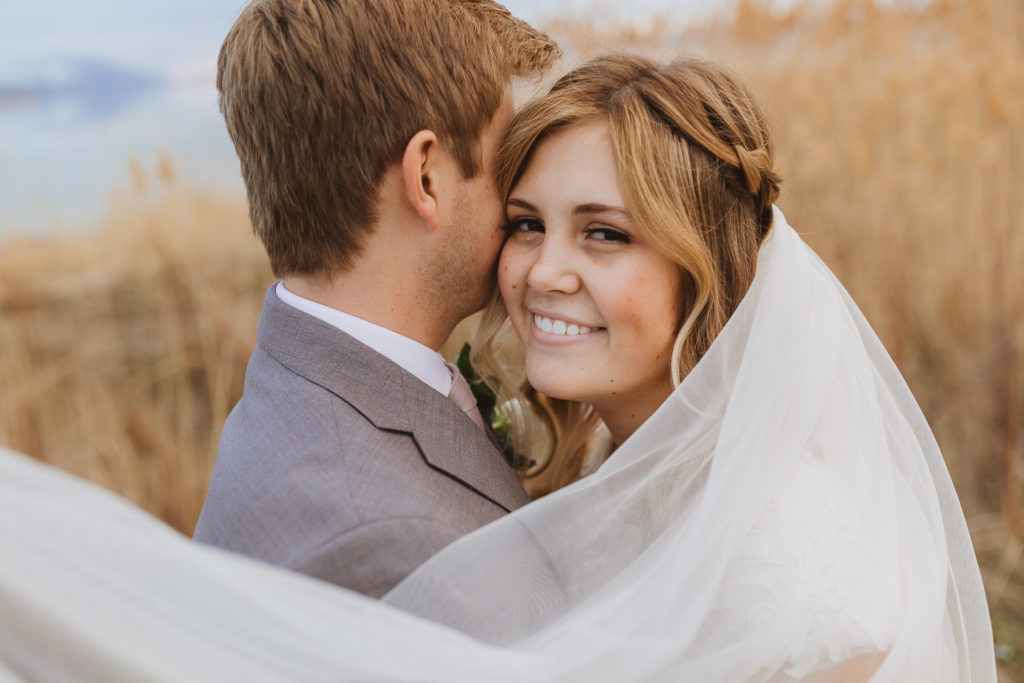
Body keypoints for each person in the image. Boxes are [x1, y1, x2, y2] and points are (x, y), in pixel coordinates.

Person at [0, 54, 995, 682]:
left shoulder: (796, 566)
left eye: (603, 234)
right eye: (525, 223)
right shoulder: (616, 471)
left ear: (703, 268)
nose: (541, 271)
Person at [191, 0, 558, 597]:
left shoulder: (293, 382)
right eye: (506, 162)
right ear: (427, 178)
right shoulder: (384, 547)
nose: (520, 197)